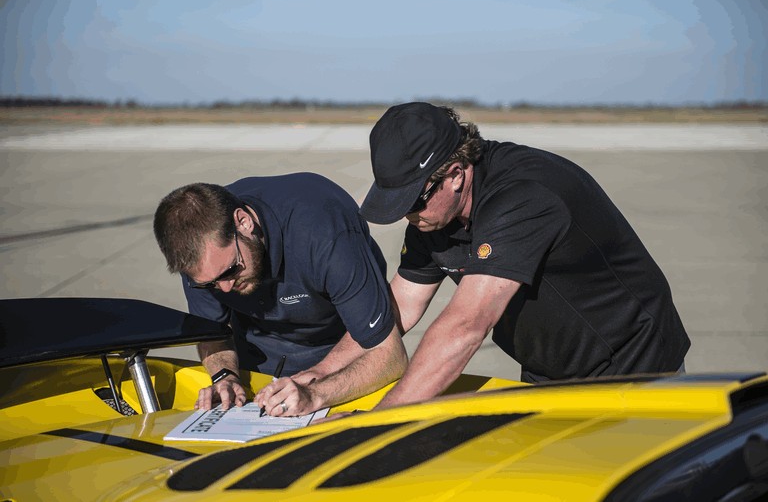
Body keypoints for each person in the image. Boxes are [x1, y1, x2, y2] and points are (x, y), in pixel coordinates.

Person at [360, 102, 690, 409]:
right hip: (549, 371)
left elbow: (466, 324)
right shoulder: (434, 216)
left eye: (413, 202)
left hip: (633, 367)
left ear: (456, 175)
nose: (408, 216)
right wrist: (319, 384)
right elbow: (396, 308)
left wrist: (377, 418)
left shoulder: (523, 196)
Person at [153, 172, 407, 416]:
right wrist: (224, 376)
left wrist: (315, 393)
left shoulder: (324, 233)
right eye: (210, 284)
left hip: (340, 355)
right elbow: (213, 335)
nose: (226, 288)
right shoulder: (205, 263)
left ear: (244, 223)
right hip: (256, 361)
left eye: (231, 270)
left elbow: (389, 355)